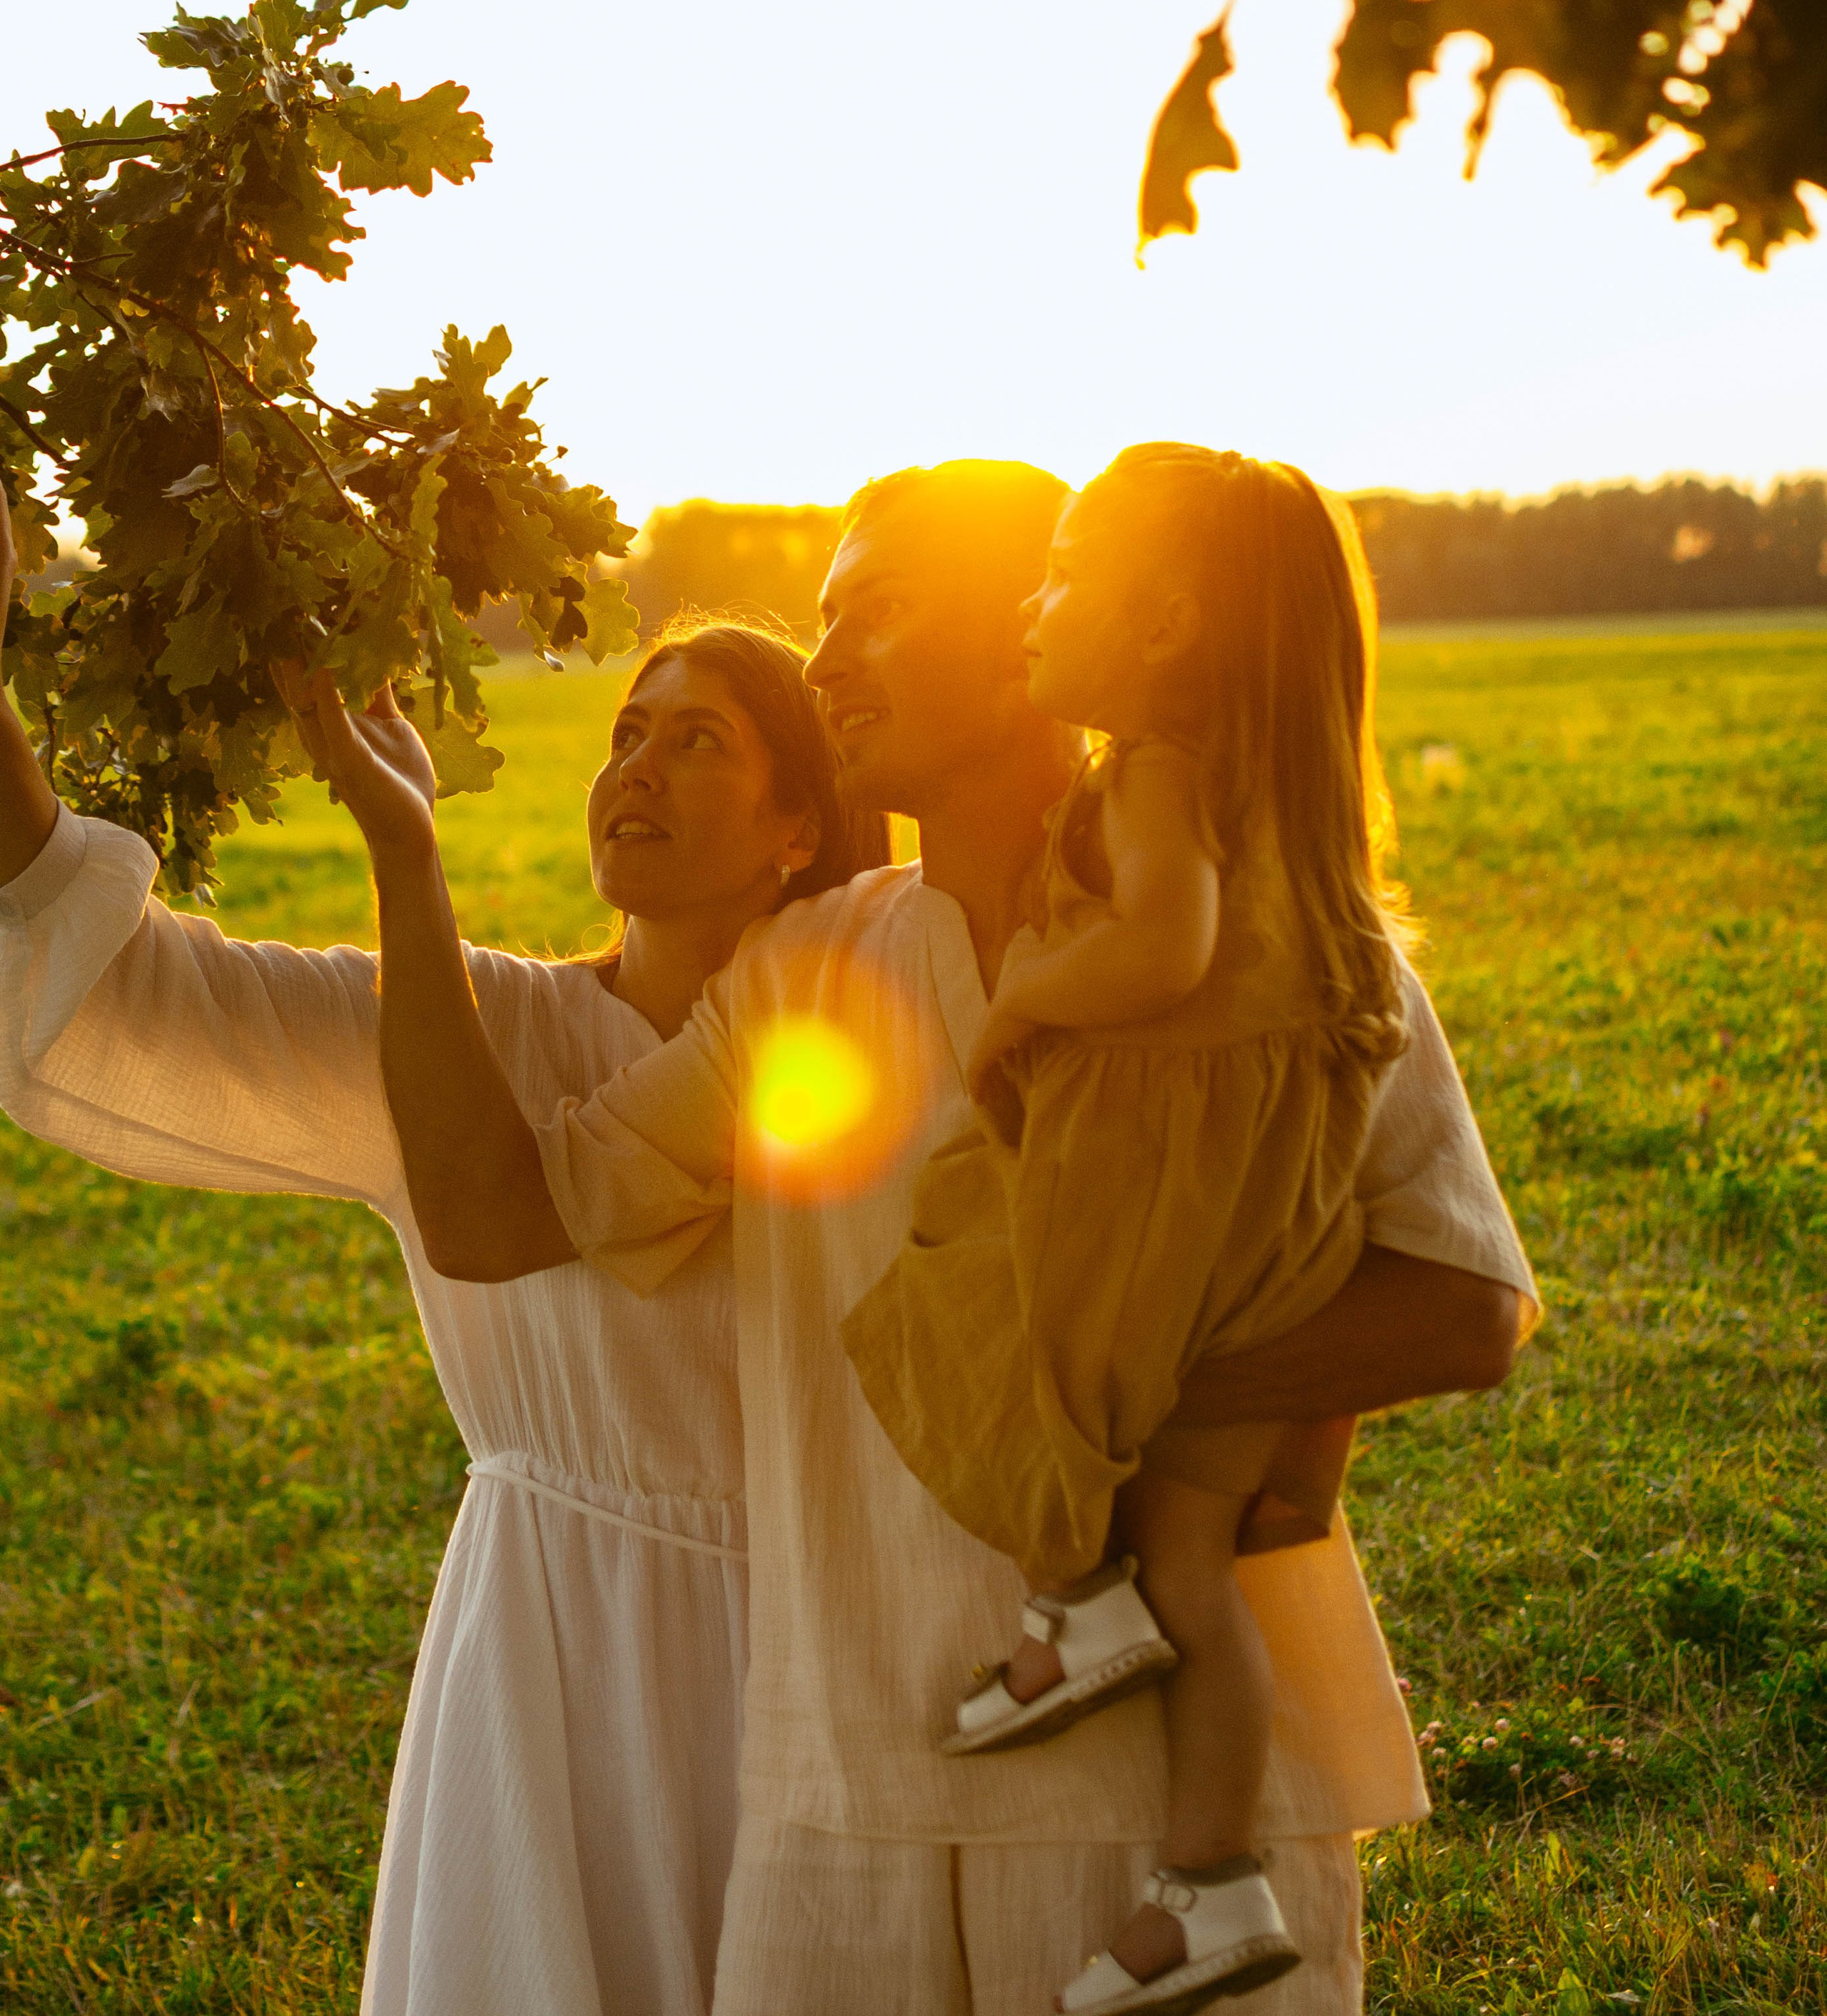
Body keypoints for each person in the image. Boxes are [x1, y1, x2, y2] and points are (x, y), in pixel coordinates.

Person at [358, 459, 1540, 2016]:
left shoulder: (1264, 919)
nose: (829, 662)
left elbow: (1464, 1304)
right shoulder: (799, 980)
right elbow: (498, 1217)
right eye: (827, 618)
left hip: (1179, 1816)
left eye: (882, 610)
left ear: (1030, 624)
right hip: (843, 1800)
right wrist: (403, 858)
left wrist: (1118, 1403)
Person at [0, 482, 884, 2016]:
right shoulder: (468, 1029)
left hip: (812, 1669)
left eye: (699, 741)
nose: (637, 767)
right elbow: (127, 982)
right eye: (627, 728)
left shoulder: (872, 1039)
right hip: (542, 1656)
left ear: (799, 825)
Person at [844, 447, 1414, 2010]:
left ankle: (1063, 1600)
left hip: (1167, 1197)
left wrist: (1020, 999)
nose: (1035, 602)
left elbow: (1164, 941)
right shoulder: (1273, 807)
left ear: (1161, 626)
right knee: (1191, 1559)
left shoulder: (1154, 767)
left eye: (1063, 571)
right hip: (1261, 1213)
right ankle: (1204, 1884)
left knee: (964, 1300)